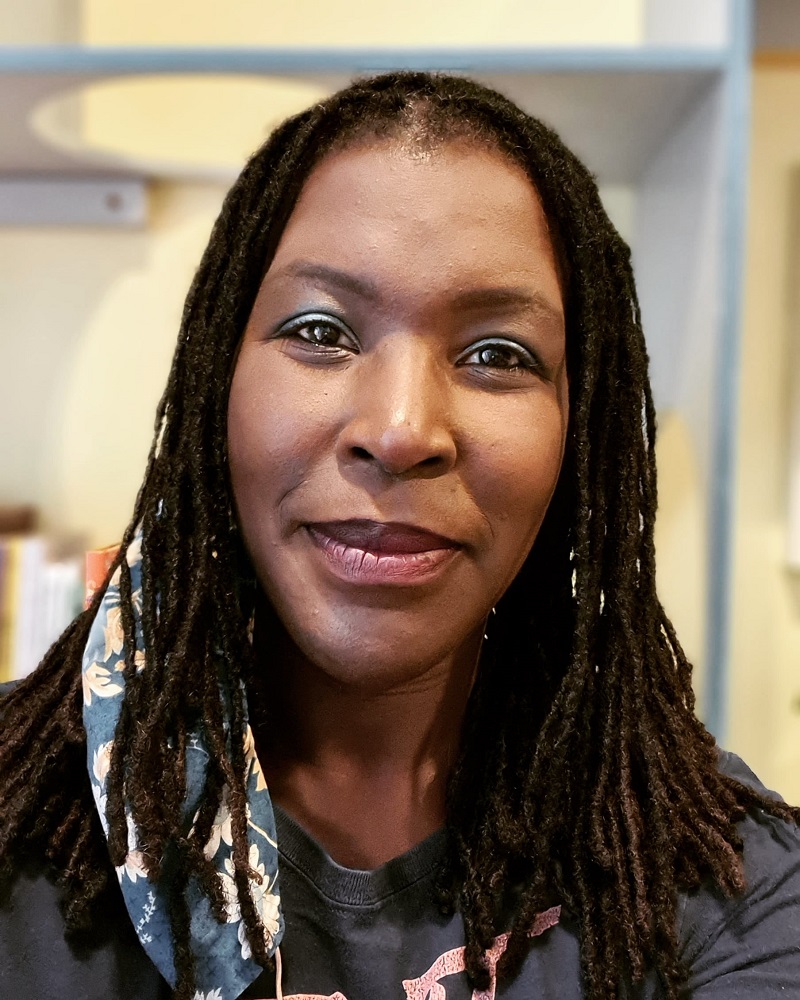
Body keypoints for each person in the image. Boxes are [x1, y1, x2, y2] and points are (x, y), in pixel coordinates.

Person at [0, 71, 798, 1000]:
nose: (403, 428)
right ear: (219, 383)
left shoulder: (725, 884)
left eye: (497, 354)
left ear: (581, 436)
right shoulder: (25, 831)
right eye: (320, 330)